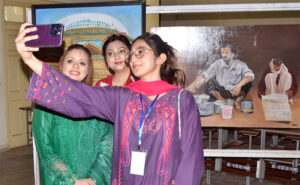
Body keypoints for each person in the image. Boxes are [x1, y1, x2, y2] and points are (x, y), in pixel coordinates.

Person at [16, 23, 205, 185]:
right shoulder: (121, 97)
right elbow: (80, 94)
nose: (133, 58)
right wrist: (30, 60)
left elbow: (191, 155)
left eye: (141, 52)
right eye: (131, 54)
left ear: (160, 58)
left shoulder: (181, 99)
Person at [31, 44, 114, 185]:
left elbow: (107, 145)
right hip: (59, 181)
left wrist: (93, 178)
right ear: (61, 65)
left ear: (88, 70)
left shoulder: (98, 101)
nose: (76, 66)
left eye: (82, 63)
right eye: (70, 61)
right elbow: (45, 149)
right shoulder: (46, 103)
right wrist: (73, 181)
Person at [187, 43, 254, 109]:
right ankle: (222, 101)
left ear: (233, 54)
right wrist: (194, 84)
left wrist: (239, 85)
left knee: (248, 82)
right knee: (211, 81)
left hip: (235, 93)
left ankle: (237, 101)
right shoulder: (217, 63)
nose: (224, 55)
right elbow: (206, 74)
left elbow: (250, 75)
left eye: (227, 53)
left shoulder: (241, 65)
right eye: (222, 53)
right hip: (221, 92)